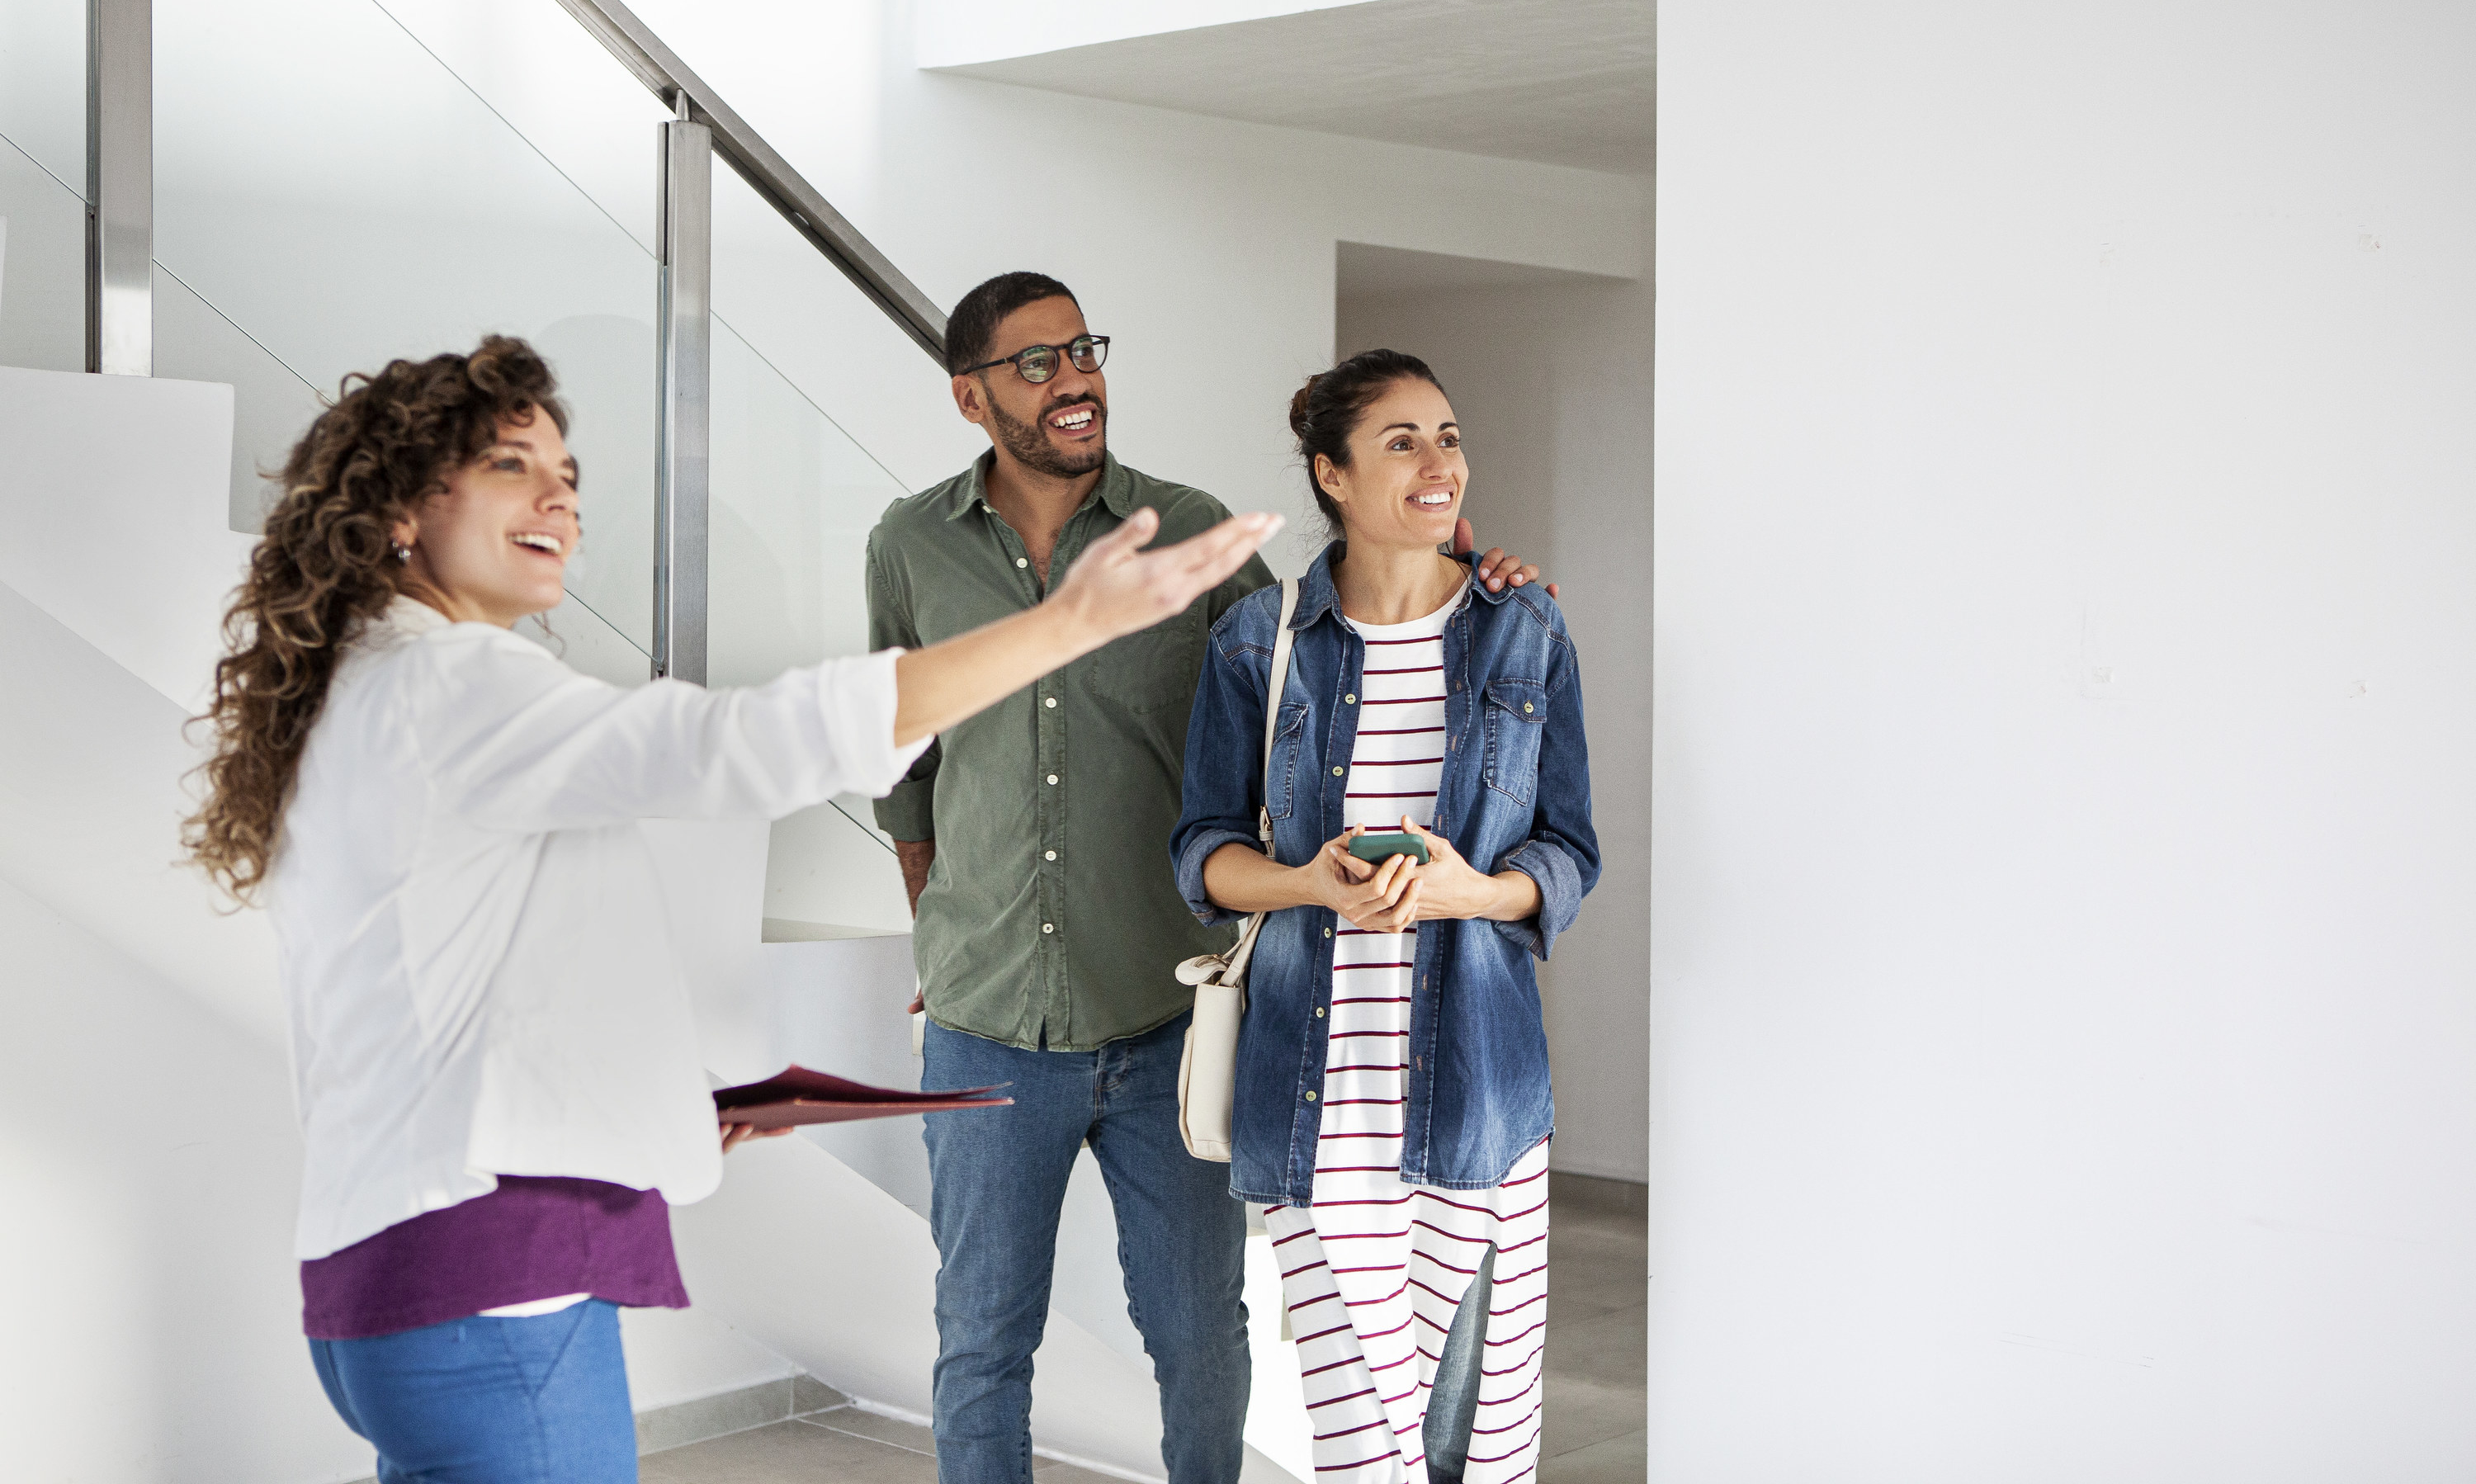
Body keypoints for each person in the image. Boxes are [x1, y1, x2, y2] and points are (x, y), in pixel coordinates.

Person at [181, 335, 1278, 1484]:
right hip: (490, 1285)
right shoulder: (453, 685)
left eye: (568, 473)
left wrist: (660, 1107)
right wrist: (1067, 626)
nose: (559, 496)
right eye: (512, 465)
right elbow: (737, 747)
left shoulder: (367, 690)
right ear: (403, 506)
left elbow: (457, 997)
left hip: (388, 1281)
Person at [866, 275, 1548, 1484]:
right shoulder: (908, 545)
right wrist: (937, 928)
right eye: (1036, 363)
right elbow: (902, 763)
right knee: (980, 1339)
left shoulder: (1193, 538)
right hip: (983, 1024)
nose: (1074, 377)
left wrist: (1461, 568)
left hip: (1168, 1019)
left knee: (1198, 1339)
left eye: (1084, 350)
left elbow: (1331, 635)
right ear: (970, 396)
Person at [1170, 348, 1599, 1483]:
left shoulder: (1527, 633)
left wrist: (1471, 893)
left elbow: (1568, 854)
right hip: (1317, 1095)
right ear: (1334, 475)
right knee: (1364, 1441)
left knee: (1473, 1437)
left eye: (1448, 436)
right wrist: (1310, 880)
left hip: (1479, 1088)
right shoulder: (1257, 644)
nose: (1437, 462)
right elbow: (1203, 853)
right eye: (1400, 441)